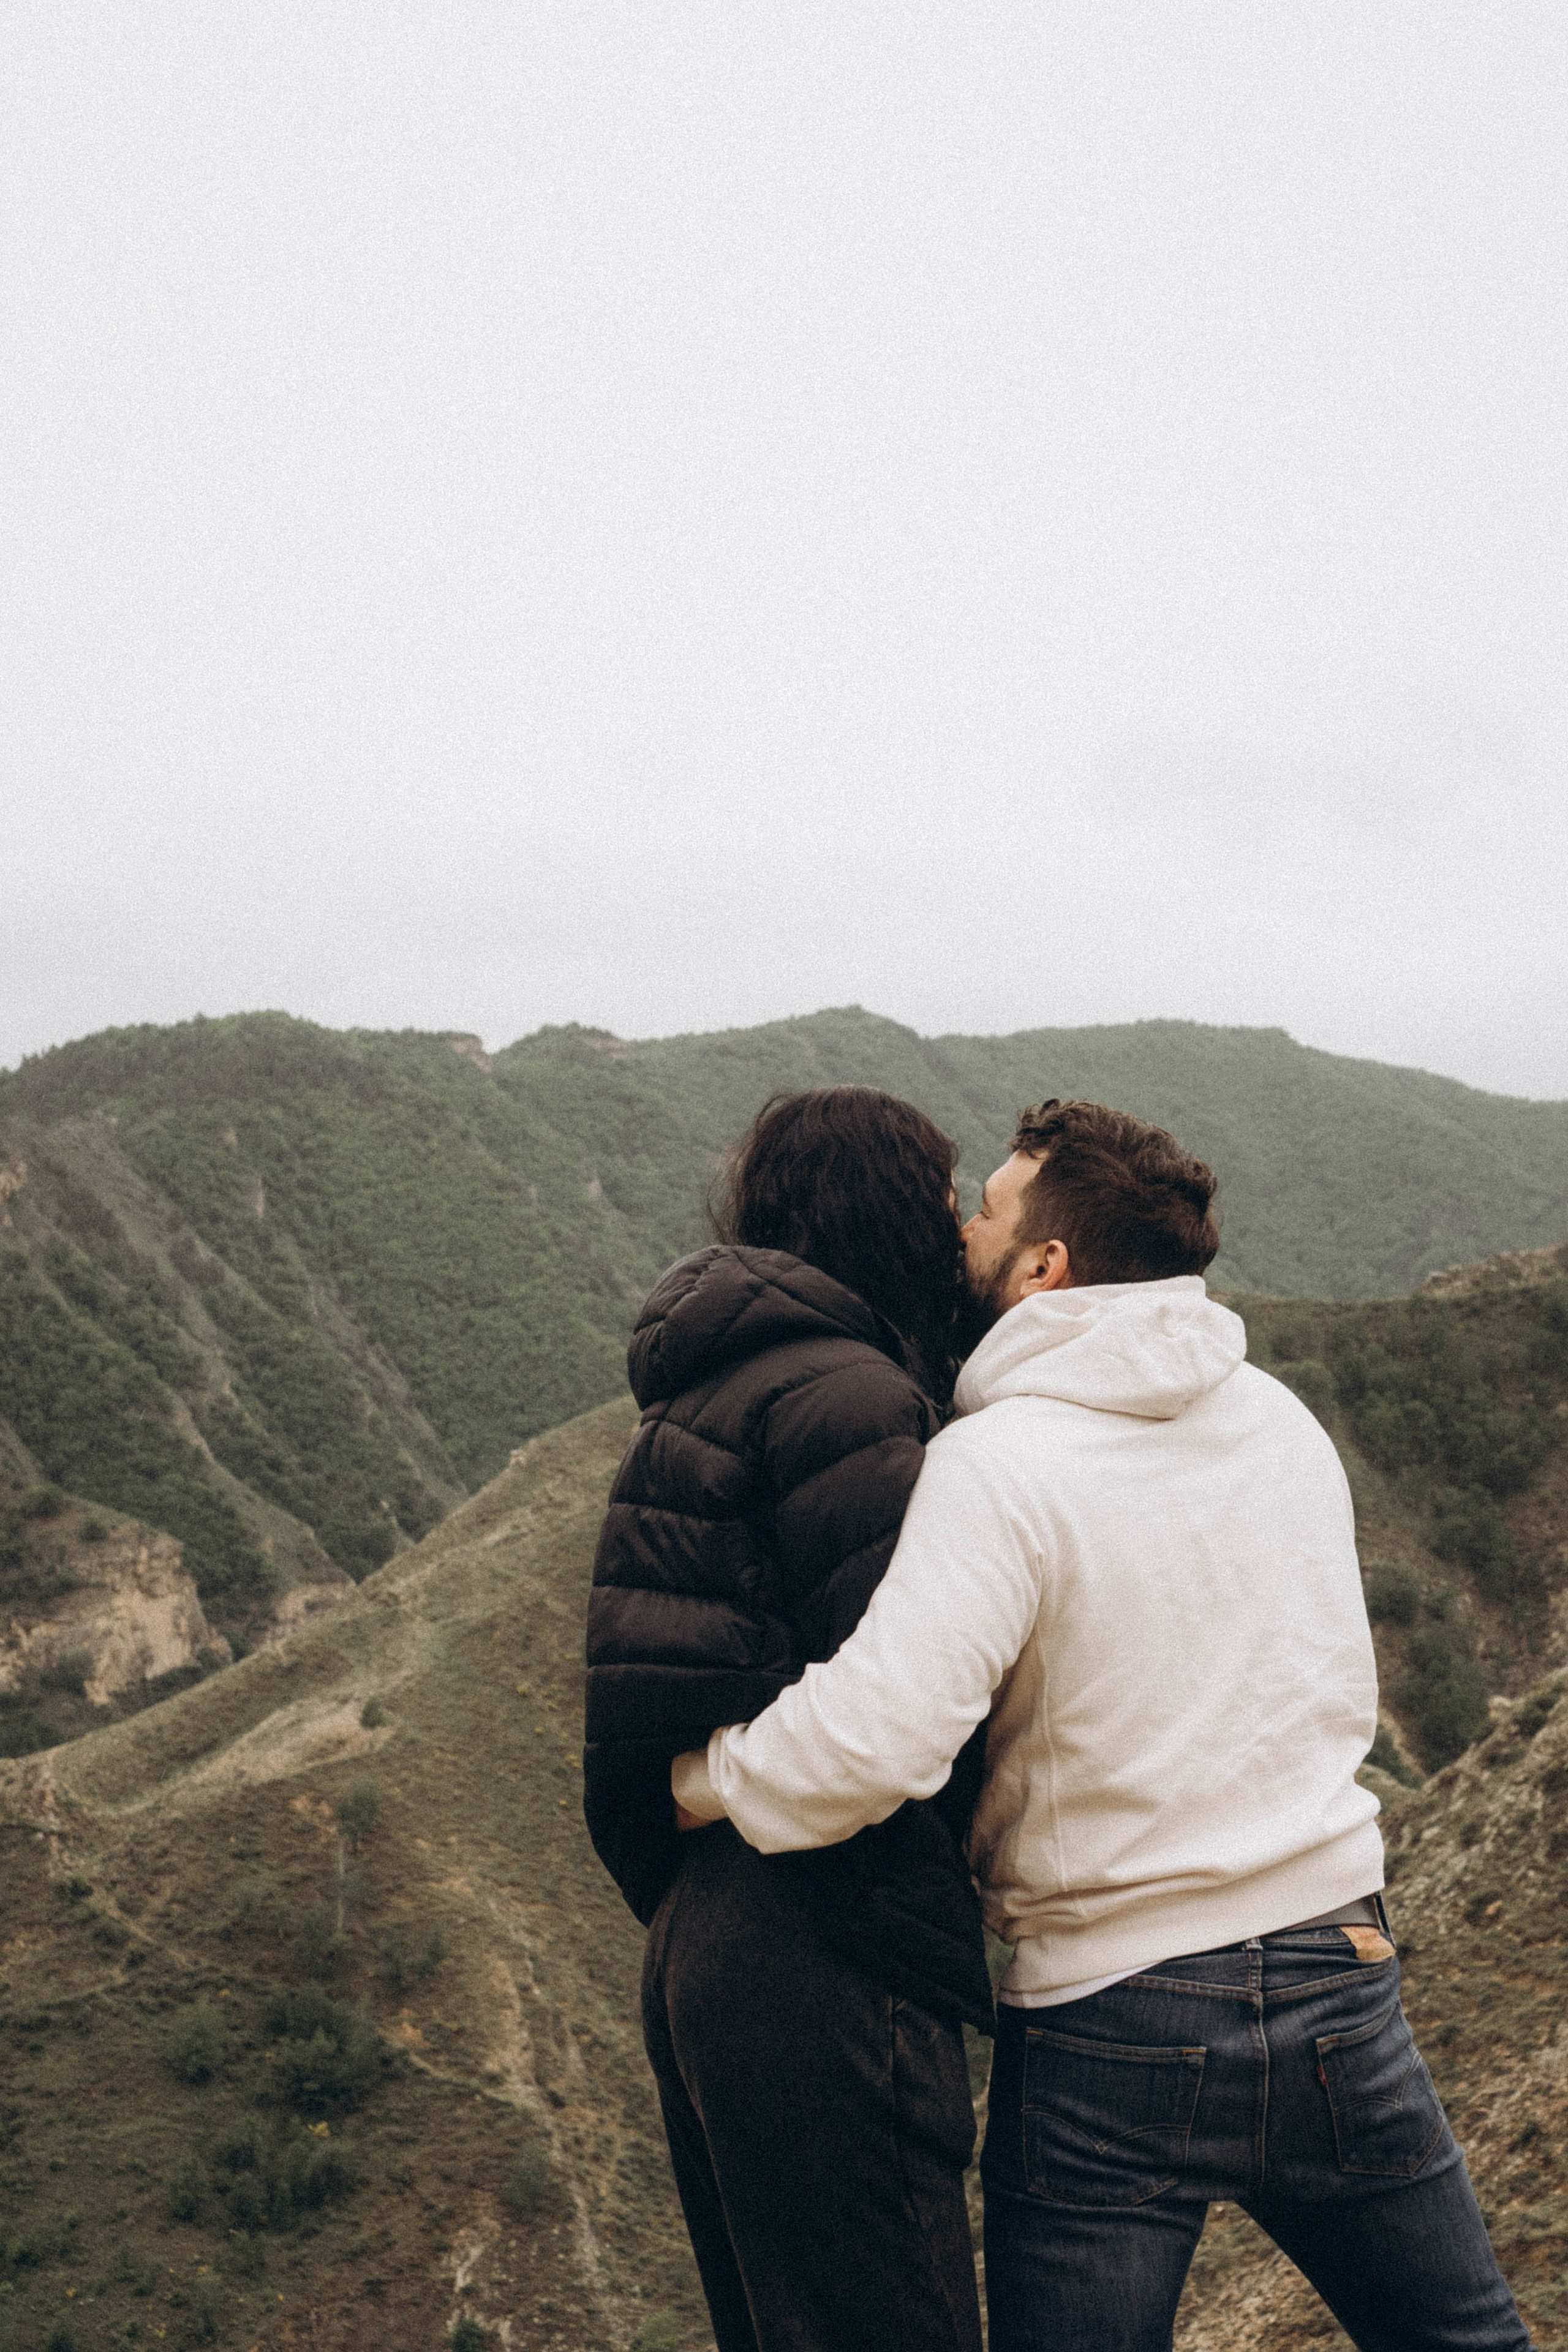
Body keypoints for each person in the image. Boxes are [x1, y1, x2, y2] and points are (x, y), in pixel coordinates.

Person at [674, 1098, 1536, 2352]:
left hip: (1114, 2017)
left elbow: (872, 1745)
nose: (959, 1232)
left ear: (1045, 1265)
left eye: (986, 1214)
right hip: (1336, 1973)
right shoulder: (1278, 1420)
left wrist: (703, 1776)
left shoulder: (997, 1465)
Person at [583, 1087, 993, 2352]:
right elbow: (900, 1705)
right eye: (942, 1200)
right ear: (887, 1208)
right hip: (822, 1934)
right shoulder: (853, 1397)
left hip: (704, 1932)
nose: (956, 1235)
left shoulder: (709, 1388)